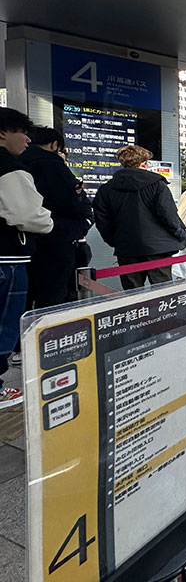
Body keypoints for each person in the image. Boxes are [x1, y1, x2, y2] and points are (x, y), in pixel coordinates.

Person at [0, 107, 53, 409]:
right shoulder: (9, 167)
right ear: (3, 132)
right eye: (22, 132)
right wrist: (49, 222)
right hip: (7, 260)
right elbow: (30, 216)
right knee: (4, 326)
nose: (27, 139)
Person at [93, 145, 186, 289]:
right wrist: (181, 235)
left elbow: (103, 221)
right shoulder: (157, 185)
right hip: (158, 249)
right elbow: (169, 216)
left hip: (127, 249)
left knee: (132, 296)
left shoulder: (106, 189)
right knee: (162, 294)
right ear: (144, 163)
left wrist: (116, 241)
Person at [20, 127, 93, 310]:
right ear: (54, 145)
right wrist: (82, 222)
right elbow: (70, 205)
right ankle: (52, 337)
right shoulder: (52, 165)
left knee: (24, 300)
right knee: (54, 299)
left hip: (22, 245)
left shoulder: (16, 162)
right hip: (58, 241)